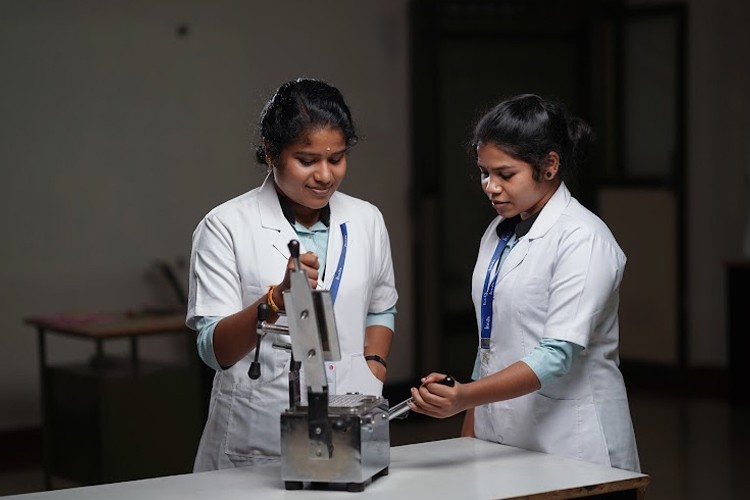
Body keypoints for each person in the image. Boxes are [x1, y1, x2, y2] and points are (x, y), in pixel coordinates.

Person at [408, 93, 640, 472]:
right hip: (506, 434)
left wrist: (465, 397)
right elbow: (491, 338)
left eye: (505, 174)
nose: (490, 186)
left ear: (549, 165)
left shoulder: (583, 238)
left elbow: (556, 356)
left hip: (574, 439)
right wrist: (470, 422)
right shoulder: (499, 232)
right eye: (485, 172)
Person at [186, 78, 398, 471]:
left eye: (336, 159)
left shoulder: (367, 220)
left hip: (345, 416)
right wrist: (274, 300)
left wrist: (373, 367)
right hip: (256, 434)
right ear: (271, 153)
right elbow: (212, 350)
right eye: (307, 159)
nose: (324, 175)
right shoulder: (226, 226)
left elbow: (382, 309)